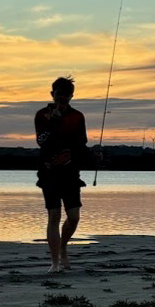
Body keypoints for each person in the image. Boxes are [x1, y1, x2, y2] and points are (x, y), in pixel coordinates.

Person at [35, 75, 94, 273]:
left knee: (74, 216)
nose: (62, 99)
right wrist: (53, 123)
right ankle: (54, 263)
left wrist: (95, 157)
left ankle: (63, 247)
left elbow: (81, 144)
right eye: (59, 95)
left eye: (67, 95)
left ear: (71, 96)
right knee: (54, 215)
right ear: (52, 94)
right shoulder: (42, 115)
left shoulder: (78, 117)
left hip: (70, 173)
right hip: (48, 172)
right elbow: (42, 141)